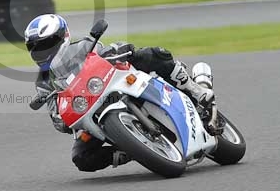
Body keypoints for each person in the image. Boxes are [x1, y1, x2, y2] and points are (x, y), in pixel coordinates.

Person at [24, 13, 215, 173]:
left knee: (155, 55)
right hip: (90, 112)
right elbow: (56, 116)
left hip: (114, 82)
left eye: (46, 44)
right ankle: (133, 150)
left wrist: (118, 50)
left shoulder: (83, 46)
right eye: (36, 48)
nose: (42, 51)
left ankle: (195, 90)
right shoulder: (43, 82)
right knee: (81, 158)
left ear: (62, 36)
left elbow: (106, 50)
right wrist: (60, 118)